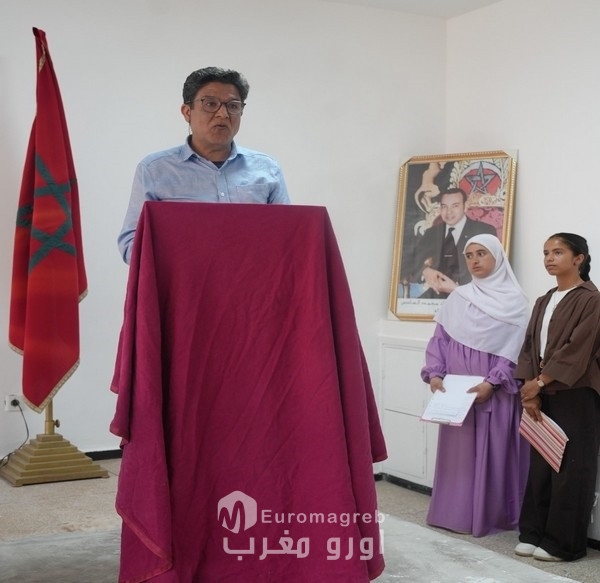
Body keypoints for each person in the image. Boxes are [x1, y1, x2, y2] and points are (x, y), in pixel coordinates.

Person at [118, 66, 290, 263]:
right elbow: (130, 245)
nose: (223, 114)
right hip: (184, 280)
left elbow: (287, 236)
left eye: (233, 106)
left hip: (253, 280)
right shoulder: (155, 170)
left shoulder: (267, 169)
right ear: (187, 112)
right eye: (210, 104)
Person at [421, 233, 530, 536]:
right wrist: (435, 374)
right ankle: (453, 513)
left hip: (495, 393)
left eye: (482, 253)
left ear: (498, 257)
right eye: (469, 255)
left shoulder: (516, 303)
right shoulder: (459, 298)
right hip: (457, 394)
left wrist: (493, 383)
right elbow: (440, 340)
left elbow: (517, 351)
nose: (474, 260)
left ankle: (492, 515)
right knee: (459, 456)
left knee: (494, 453)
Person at [514, 233, 600, 562]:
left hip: (576, 393)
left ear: (579, 258)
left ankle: (563, 543)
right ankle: (533, 532)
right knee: (541, 464)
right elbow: (529, 346)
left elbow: (579, 349)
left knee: (572, 468)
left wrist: (539, 382)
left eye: (558, 252)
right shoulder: (544, 299)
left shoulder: (592, 300)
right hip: (540, 391)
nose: (549, 258)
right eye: (546, 252)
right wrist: (530, 390)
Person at [414, 188, 497, 298]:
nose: (449, 212)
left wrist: (456, 289)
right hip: (436, 294)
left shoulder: (484, 231)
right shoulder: (432, 233)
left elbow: (491, 272)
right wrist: (425, 271)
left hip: (472, 295)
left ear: (465, 206)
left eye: (455, 206)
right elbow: (412, 260)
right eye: (444, 206)